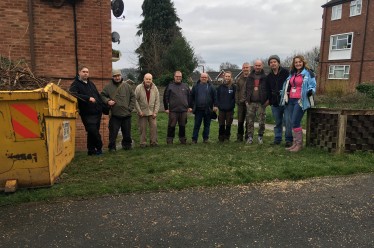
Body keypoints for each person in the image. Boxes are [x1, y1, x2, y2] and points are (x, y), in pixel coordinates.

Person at [280, 55, 316, 152]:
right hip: (291, 99)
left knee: (295, 121)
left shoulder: (308, 73)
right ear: (294, 64)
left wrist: (310, 91)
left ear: (303, 62)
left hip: (301, 100)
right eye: (296, 62)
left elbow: (313, 85)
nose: (298, 64)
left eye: (299, 62)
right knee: (292, 122)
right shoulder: (292, 73)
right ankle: (295, 143)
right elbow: (288, 85)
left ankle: (299, 145)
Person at [69, 66, 103, 155]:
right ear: (79, 72)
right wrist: (88, 98)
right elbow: (73, 94)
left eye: (87, 72)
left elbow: (97, 96)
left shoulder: (91, 84)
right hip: (86, 113)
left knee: (92, 133)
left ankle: (91, 151)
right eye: (83, 71)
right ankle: (99, 146)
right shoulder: (75, 84)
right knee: (92, 131)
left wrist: (102, 106)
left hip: (97, 112)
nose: (85, 73)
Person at [100, 69, 135, 151]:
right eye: (115, 76)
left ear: (121, 76)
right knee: (113, 133)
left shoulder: (127, 86)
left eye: (118, 75)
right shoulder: (108, 87)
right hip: (115, 115)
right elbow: (102, 95)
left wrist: (130, 108)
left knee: (127, 133)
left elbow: (133, 97)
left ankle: (127, 146)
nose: (117, 77)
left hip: (126, 114)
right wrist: (108, 101)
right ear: (112, 77)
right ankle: (112, 147)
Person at [266, 55, 293, 147]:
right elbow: (268, 89)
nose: (273, 63)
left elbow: (291, 84)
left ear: (278, 63)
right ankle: (277, 138)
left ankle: (289, 139)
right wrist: (270, 101)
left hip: (286, 101)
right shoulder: (269, 76)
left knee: (287, 121)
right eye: (271, 62)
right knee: (278, 122)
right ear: (269, 64)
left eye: (274, 62)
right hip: (275, 102)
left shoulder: (286, 73)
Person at [163, 71, 192, 145]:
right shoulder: (170, 86)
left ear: (181, 77)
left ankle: (182, 139)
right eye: (177, 76)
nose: (178, 78)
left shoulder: (185, 86)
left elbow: (189, 97)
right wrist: (166, 108)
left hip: (183, 110)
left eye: (180, 76)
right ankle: (170, 139)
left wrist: (190, 106)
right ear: (174, 77)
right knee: (171, 125)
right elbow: (165, 97)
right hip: (173, 110)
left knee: (182, 125)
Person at [245, 60, 268, 144]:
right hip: (251, 103)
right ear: (253, 66)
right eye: (256, 65)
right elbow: (245, 89)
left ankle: (260, 136)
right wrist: (246, 101)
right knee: (250, 121)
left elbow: (268, 90)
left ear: (262, 66)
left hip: (261, 103)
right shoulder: (250, 77)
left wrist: (268, 100)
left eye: (259, 65)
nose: (257, 67)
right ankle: (250, 137)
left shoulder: (265, 77)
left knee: (262, 121)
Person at [191, 72, 218, 143]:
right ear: (200, 78)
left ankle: (205, 139)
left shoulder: (211, 87)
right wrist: (192, 106)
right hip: (198, 109)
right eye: (202, 77)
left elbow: (215, 97)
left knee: (207, 125)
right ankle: (194, 139)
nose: (204, 78)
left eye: (205, 77)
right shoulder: (195, 86)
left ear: (207, 78)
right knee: (197, 125)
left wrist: (215, 106)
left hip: (208, 109)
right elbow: (191, 97)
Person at [134, 73, 160, 147]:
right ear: (144, 79)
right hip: (142, 112)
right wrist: (139, 111)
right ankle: (143, 143)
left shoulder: (155, 88)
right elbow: (135, 100)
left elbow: (157, 101)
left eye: (150, 79)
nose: (148, 80)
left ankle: (154, 142)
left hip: (152, 113)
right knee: (142, 129)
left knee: (154, 128)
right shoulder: (138, 88)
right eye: (147, 79)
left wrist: (155, 112)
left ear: (152, 80)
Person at [216, 71, 236, 142]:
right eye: (226, 76)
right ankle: (221, 137)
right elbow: (217, 97)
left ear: (231, 77)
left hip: (230, 109)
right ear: (224, 77)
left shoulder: (233, 87)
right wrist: (219, 105)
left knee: (228, 124)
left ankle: (227, 137)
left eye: (229, 76)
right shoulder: (220, 87)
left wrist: (231, 105)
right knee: (221, 124)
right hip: (221, 109)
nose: (227, 78)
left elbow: (235, 98)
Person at [235, 62, 250, 142]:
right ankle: (239, 137)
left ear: (249, 68)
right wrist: (237, 100)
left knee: (248, 121)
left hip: (249, 103)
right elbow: (237, 91)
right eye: (244, 68)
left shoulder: (252, 78)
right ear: (242, 69)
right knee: (240, 120)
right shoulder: (239, 79)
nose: (245, 69)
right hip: (241, 103)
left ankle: (247, 137)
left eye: (247, 67)